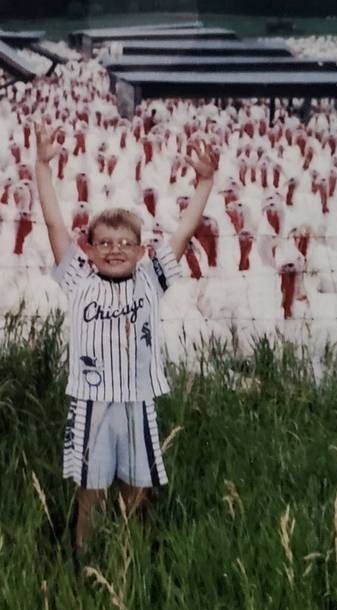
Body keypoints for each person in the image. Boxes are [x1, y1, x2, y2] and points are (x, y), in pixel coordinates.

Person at [31, 122, 219, 562]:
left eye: (125, 243)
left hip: (138, 401)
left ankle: (137, 559)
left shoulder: (151, 280)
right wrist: (42, 167)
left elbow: (183, 233)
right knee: (90, 490)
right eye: (104, 243)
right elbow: (54, 222)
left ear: (140, 251)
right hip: (92, 404)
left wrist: (205, 182)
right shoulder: (78, 280)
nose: (115, 249)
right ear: (89, 250)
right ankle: (83, 561)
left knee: (139, 488)